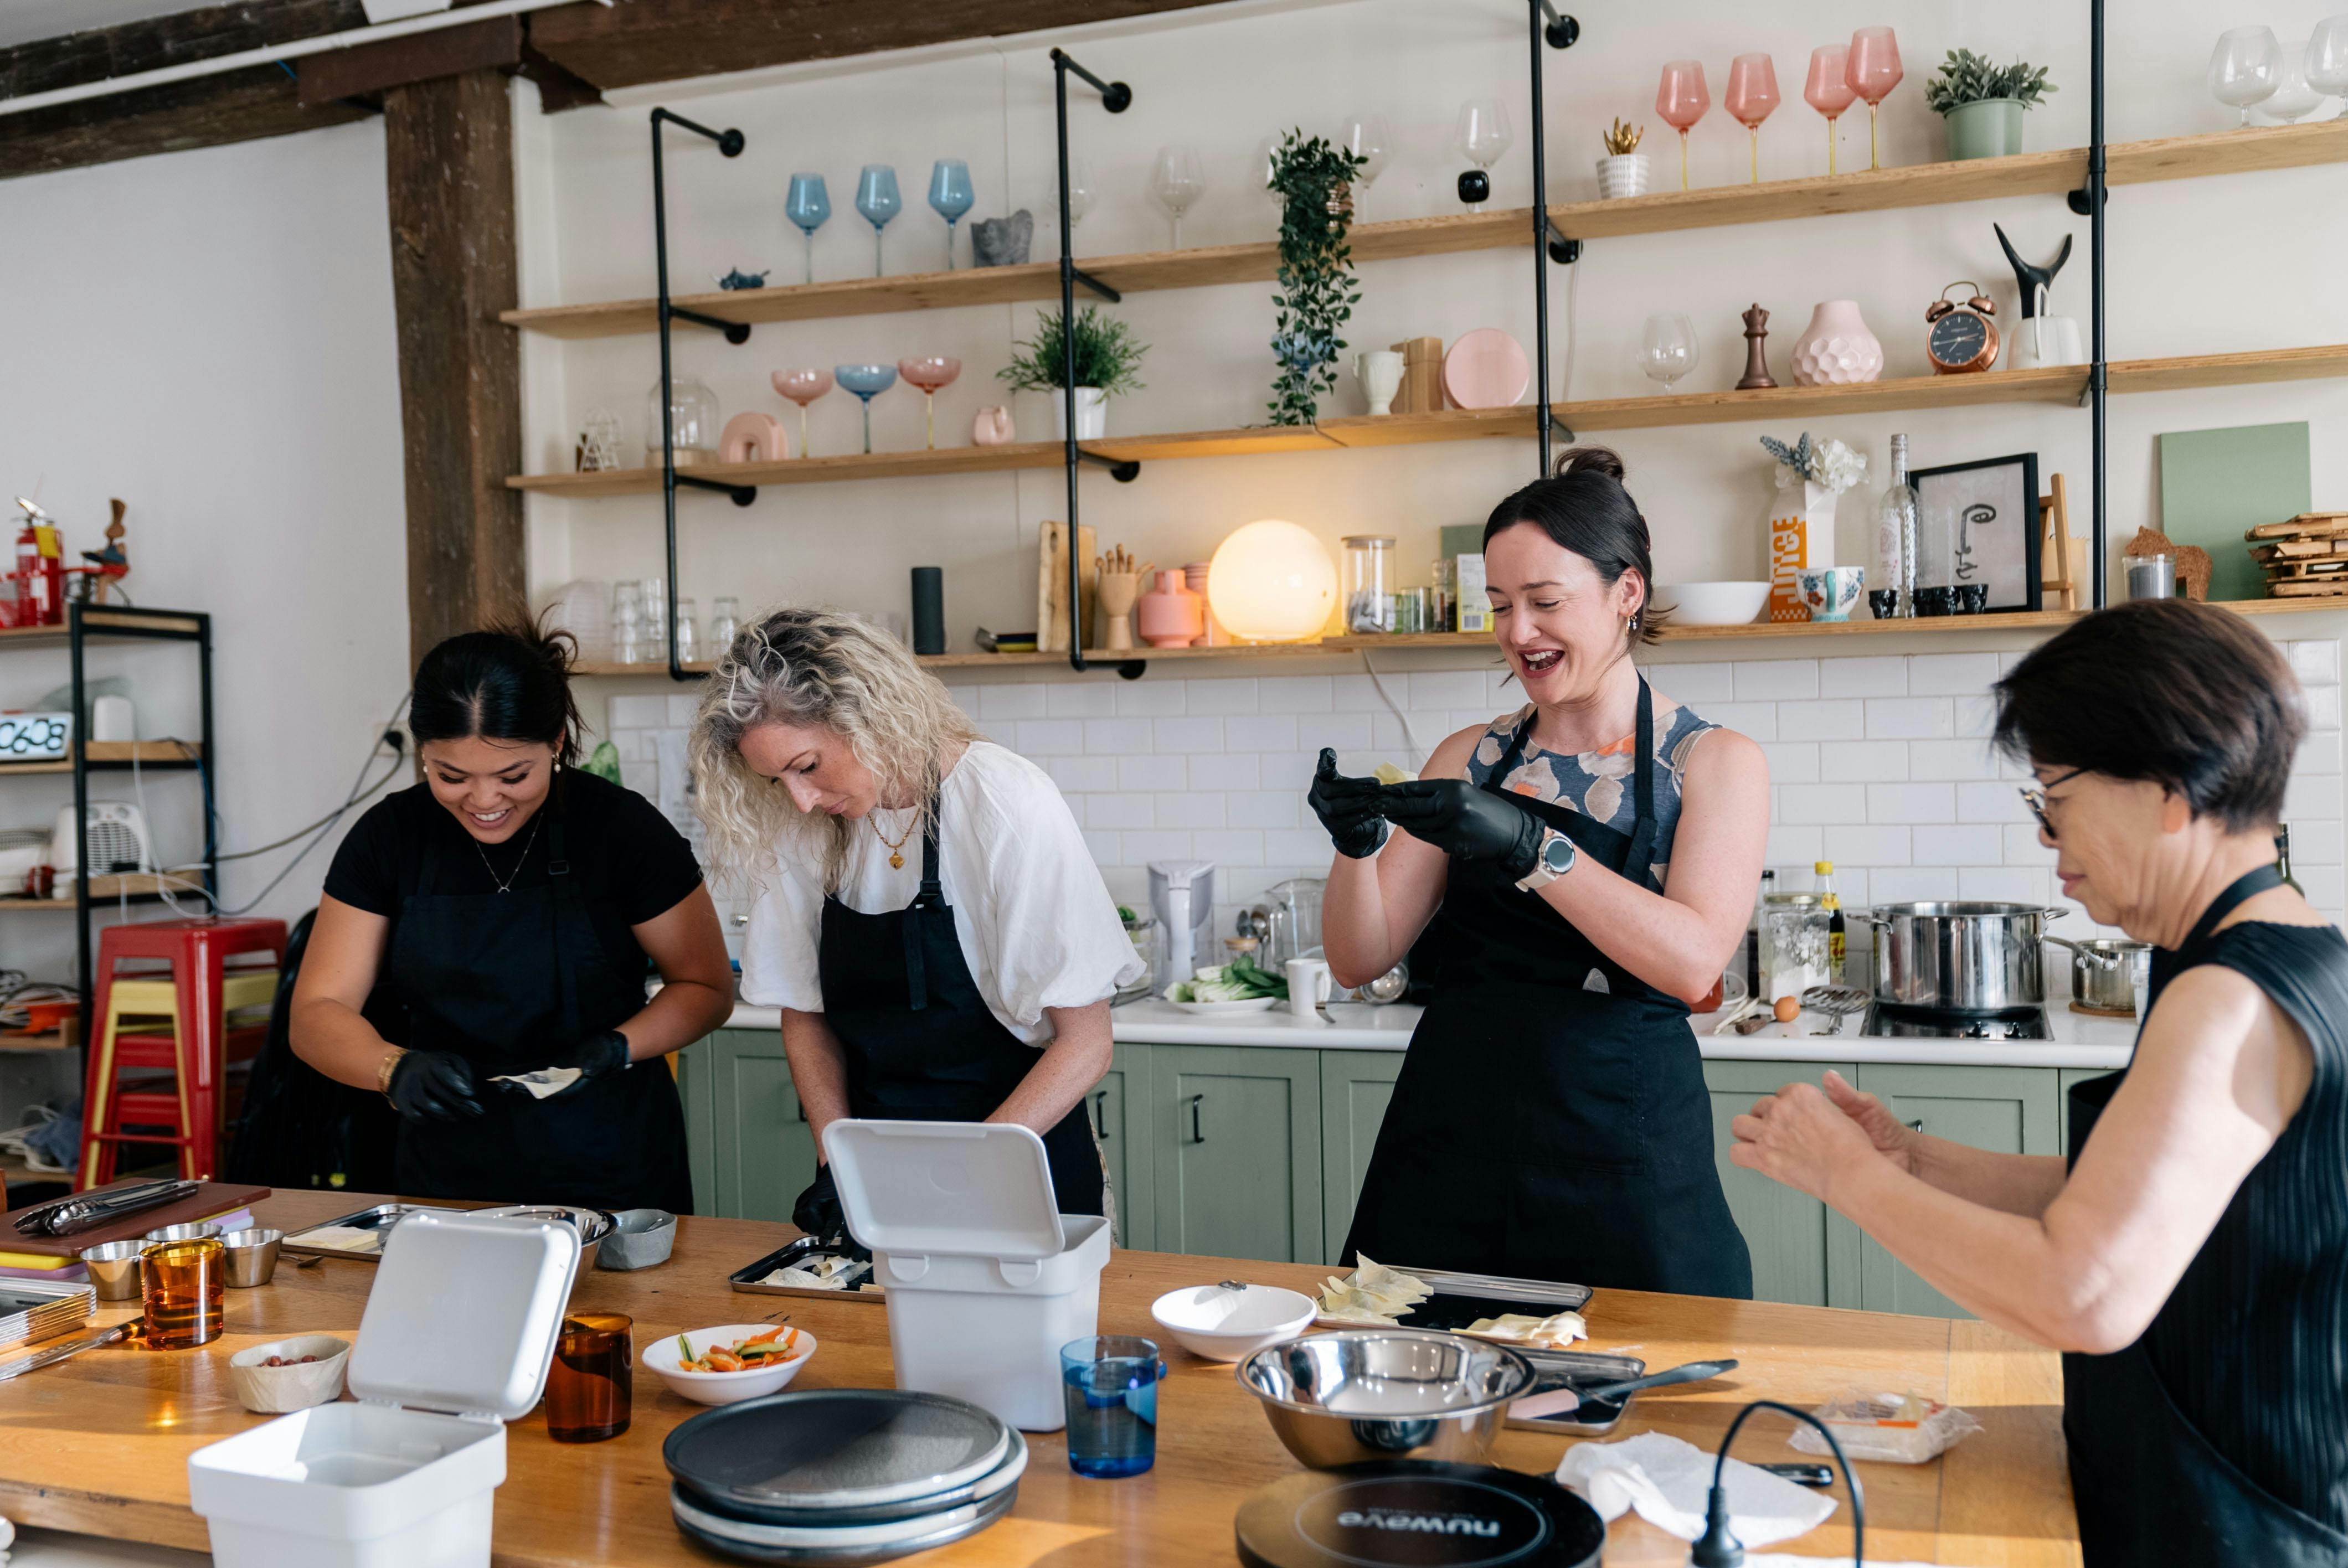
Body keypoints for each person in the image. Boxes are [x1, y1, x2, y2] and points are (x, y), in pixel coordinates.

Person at [1730, 599, 2348, 1565]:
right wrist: (1912, 1159)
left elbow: (2084, 1292)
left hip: (2232, 1521)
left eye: (2053, 798)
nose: (2048, 840)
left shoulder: (2231, 996)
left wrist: (1847, 1177)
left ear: (2169, 788)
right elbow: (2125, 1200)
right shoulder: (2278, 952)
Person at [1315, 448, 1767, 1296]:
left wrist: (1533, 847)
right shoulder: (1471, 757)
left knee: (1637, 1372)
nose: (1518, 632)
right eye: (1500, 605)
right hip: (1450, 1143)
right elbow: (1358, 958)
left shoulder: (1709, 763)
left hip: (1620, 1150)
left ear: (1627, 592)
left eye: (1545, 602)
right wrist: (1354, 846)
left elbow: (1691, 963)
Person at [688, 608, 1140, 1238]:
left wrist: (964, 1171)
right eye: (776, 779)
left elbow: (1086, 1044)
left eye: (807, 765)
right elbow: (806, 1015)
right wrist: (837, 1160)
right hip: (881, 1173)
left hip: (1020, 1161)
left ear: (865, 716)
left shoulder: (1003, 800)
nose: (800, 798)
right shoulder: (803, 829)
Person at [292, 619, 733, 1213]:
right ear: (424, 753)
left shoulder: (621, 829)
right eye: (451, 776)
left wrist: (619, 1047)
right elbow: (317, 1012)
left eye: (513, 776)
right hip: (447, 1172)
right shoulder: (389, 838)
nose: (484, 801)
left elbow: (706, 988)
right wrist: (393, 1068)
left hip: (610, 1163)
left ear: (555, 743)